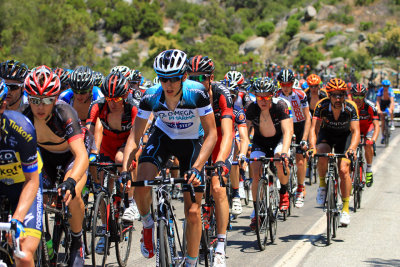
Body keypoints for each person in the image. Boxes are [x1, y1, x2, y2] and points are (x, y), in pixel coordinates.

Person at [121, 49, 217, 267]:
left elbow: (212, 134)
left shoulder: (197, 93)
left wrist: (197, 167)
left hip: (192, 142)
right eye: (164, 79)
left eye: (174, 78)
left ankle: (191, 263)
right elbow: (134, 138)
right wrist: (126, 170)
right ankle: (147, 224)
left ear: (184, 76)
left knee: (193, 211)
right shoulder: (150, 96)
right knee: (141, 183)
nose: (169, 84)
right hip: (163, 137)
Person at [22, 65, 89, 267]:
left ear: (56, 98)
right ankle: (45, 240)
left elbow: (81, 155)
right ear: (28, 99)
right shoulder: (24, 116)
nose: (40, 107)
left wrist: (70, 181)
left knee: (73, 194)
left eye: (47, 100)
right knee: (36, 196)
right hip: (45, 159)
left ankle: (77, 241)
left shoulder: (65, 113)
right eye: (35, 100)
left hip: (70, 157)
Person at [188, 55, 235, 266]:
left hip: (220, 141)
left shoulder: (221, 94)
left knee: (217, 187)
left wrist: (221, 161)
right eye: (192, 77)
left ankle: (221, 245)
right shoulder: (186, 93)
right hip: (199, 139)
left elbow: (227, 132)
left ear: (211, 78)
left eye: (202, 77)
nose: (197, 81)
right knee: (192, 188)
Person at [86, 72, 140, 254]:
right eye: (108, 98)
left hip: (127, 144)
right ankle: (105, 230)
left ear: (124, 96)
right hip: (106, 146)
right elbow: (89, 131)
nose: (112, 102)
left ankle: (131, 202)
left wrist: (127, 163)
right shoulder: (98, 106)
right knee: (101, 187)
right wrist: (90, 154)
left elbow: (136, 136)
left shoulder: (132, 108)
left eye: (116, 98)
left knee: (120, 160)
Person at [0, 79, 43, 267]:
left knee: (23, 255)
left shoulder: (21, 128)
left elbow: (32, 180)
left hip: (25, 184)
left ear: (3, 105)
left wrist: (17, 219)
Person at [309, 78, 360, 226]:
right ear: (329, 95)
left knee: (344, 170)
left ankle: (345, 209)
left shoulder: (351, 107)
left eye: (341, 95)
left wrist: (352, 149)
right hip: (327, 135)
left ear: (345, 95)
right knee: (322, 154)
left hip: (345, 137)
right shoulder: (322, 105)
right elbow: (314, 129)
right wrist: (313, 147)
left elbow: (356, 132)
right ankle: (323, 184)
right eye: (334, 95)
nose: (338, 98)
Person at [246, 77, 293, 229]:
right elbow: (244, 131)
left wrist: (285, 152)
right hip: (260, 142)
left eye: (266, 96)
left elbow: (287, 131)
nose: (263, 100)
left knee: (280, 161)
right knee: (255, 171)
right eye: (259, 96)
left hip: (278, 140)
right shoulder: (251, 108)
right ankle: (257, 211)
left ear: (272, 95)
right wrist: (245, 148)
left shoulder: (280, 106)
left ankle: (284, 192)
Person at [276, 69, 311, 208]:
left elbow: (308, 117)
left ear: (292, 83)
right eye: (282, 84)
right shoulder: (276, 95)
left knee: (300, 160)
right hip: (284, 125)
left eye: (288, 84)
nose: (285, 87)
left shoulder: (300, 94)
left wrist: (304, 138)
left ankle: (300, 189)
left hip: (299, 125)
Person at [350, 83, 380, 187]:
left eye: (361, 95)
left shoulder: (370, 106)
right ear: (351, 95)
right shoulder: (348, 106)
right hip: (354, 129)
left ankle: (369, 169)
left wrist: (373, 140)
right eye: (355, 95)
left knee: (368, 144)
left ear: (364, 96)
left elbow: (376, 125)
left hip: (368, 128)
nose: (358, 98)